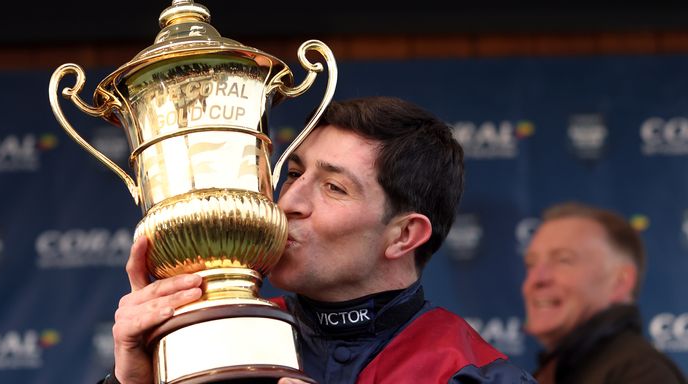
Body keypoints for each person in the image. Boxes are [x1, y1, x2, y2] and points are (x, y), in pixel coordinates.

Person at [102, 96, 536, 383]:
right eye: (294, 174)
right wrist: (133, 379)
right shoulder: (221, 331)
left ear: (404, 235)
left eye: (334, 187)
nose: (289, 201)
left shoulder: (471, 372)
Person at [521, 202, 686, 384]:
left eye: (563, 260)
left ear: (620, 281)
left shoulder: (640, 372)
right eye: (531, 264)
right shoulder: (558, 370)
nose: (537, 279)